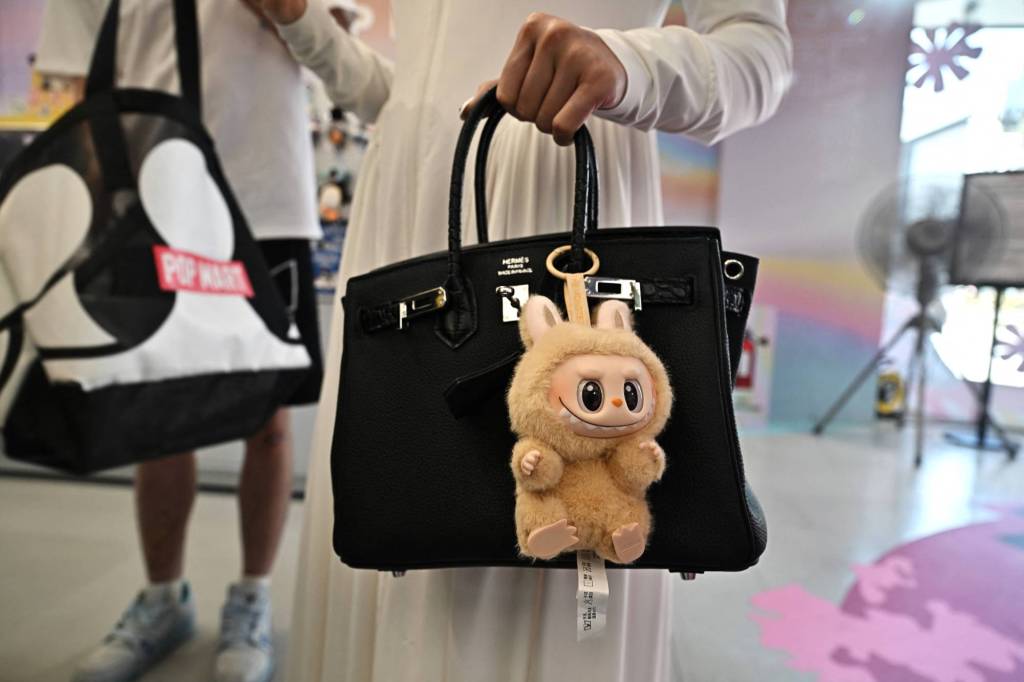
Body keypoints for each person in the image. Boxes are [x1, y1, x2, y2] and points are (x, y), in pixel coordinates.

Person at [263, 1, 792, 681]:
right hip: (410, 218)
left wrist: (630, 63)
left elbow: (758, 57)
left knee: (569, 494)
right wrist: (300, 22)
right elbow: (403, 95)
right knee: (399, 500)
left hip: (565, 189)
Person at [33, 2, 324, 681]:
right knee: (160, 413)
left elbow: (323, 36)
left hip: (265, 196)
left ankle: (251, 594)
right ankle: (163, 598)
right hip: (151, 204)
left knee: (267, 419)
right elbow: (84, 83)